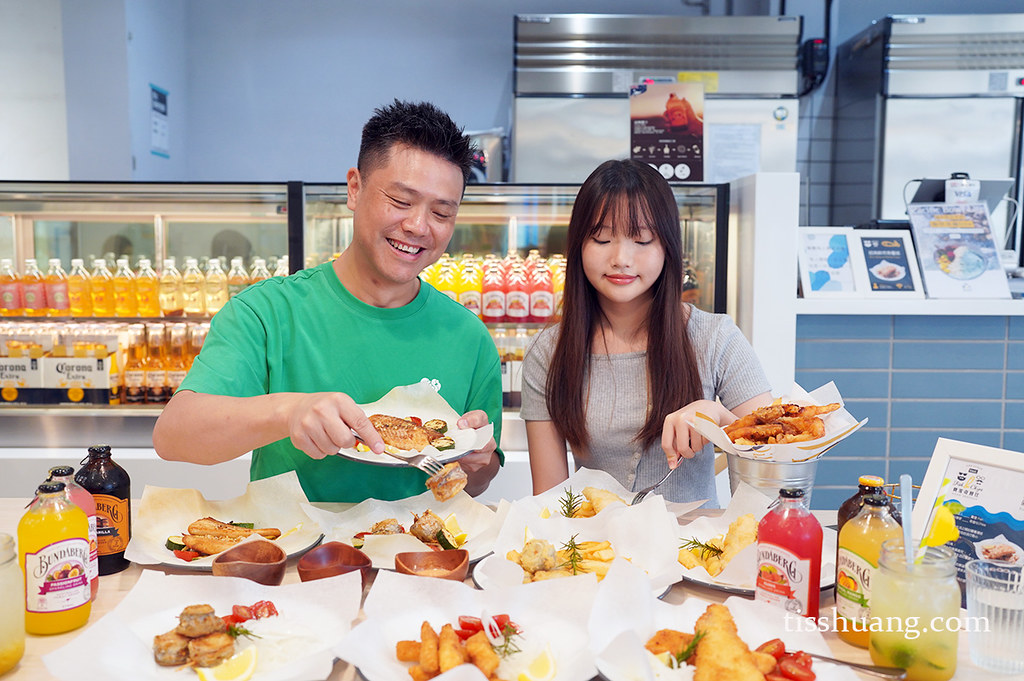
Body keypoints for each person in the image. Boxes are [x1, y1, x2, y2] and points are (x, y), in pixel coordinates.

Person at [153, 100, 502, 502]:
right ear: (354, 188)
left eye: (442, 213)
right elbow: (174, 436)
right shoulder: (268, 313)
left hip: (419, 560)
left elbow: (480, 481)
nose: (419, 226)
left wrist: (477, 461)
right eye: (402, 201)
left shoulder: (468, 337)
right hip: (294, 557)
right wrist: (290, 412)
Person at [520, 159, 771, 507]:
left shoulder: (716, 337)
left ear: (667, 247)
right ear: (578, 245)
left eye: (642, 239)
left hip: (696, 553)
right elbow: (548, 500)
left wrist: (719, 420)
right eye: (602, 238)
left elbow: (779, 460)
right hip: (597, 553)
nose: (621, 258)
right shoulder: (548, 351)